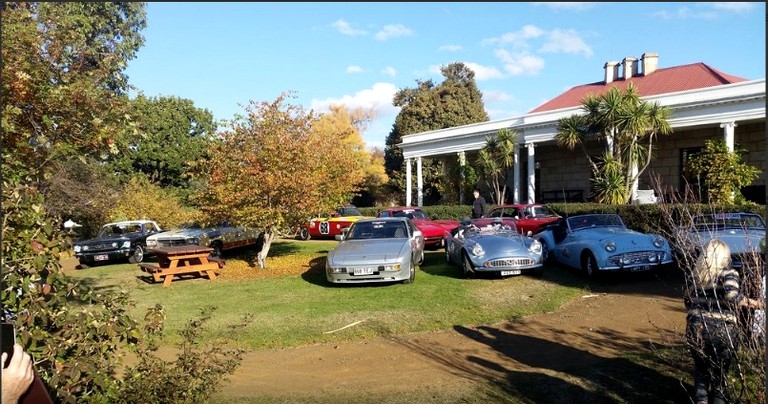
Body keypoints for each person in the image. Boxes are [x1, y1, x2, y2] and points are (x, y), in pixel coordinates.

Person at [683, 239, 764, 404]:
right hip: (721, 328)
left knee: (701, 369)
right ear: (724, 257)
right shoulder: (729, 274)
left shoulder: (694, 276)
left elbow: (687, 300)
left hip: (695, 326)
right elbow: (732, 297)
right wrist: (757, 304)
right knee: (721, 371)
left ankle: (701, 401)